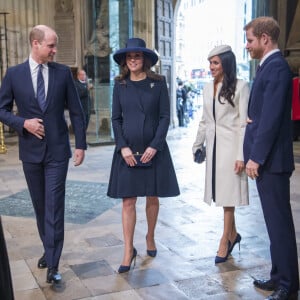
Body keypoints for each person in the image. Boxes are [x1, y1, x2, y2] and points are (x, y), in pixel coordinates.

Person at [0, 25, 87, 284]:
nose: (55, 50)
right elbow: (1, 109)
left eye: (55, 45)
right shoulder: (14, 74)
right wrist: (22, 123)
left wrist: (80, 144)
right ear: (35, 44)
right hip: (30, 153)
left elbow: (76, 111)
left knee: (54, 207)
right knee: (40, 208)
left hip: (58, 152)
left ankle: (53, 263)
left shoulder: (62, 73)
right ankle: (48, 249)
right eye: (51, 45)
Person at [107, 37, 180, 273]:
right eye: (129, 56)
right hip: (127, 152)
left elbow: (164, 117)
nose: (133, 60)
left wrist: (155, 146)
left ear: (145, 59)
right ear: (125, 61)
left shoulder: (157, 83)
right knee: (128, 201)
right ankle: (128, 249)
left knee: (152, 197)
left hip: (152, 151)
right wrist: (123, 147)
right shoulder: (120, 85)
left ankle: (150, 236)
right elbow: (116, 119)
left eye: (137, 56)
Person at [243, 17, 299, 300]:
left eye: (250, 40)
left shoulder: (277, 67)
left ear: (265, 39)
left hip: (272, 162)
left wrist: (255, 157)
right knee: (273, 225)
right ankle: (279, 277)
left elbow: (271, 119)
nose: (248, 45)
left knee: (280, 225)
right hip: (269, 161)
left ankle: (289, 287)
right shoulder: (268, 67)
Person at [192, 45, 249, 264]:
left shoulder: (241, 86)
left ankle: (224, 240)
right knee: (222, 194)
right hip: (214, 149)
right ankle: (233, 235)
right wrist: (197, 145)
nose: (211, 67)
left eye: (215, 63)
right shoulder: (207, 88)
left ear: (226, 63)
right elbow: (205, 120)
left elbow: (244, 123)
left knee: (228, 197)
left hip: (232, 149)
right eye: (210, 63)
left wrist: (241, 155)